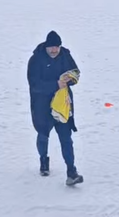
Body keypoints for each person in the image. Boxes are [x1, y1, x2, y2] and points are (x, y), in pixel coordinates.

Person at [27, 31, 83, 186]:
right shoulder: (35, 59)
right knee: (43, 134)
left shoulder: (65, 55)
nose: (54, 50)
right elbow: (34, 85)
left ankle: (71, 172)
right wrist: (55, 84)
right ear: (46, 46)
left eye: (56, 47)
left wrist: (70, 79)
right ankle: (43, 161)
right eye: (51, 47)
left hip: (62, 105)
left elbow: (75, 72)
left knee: (66, 138)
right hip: (42, 106)